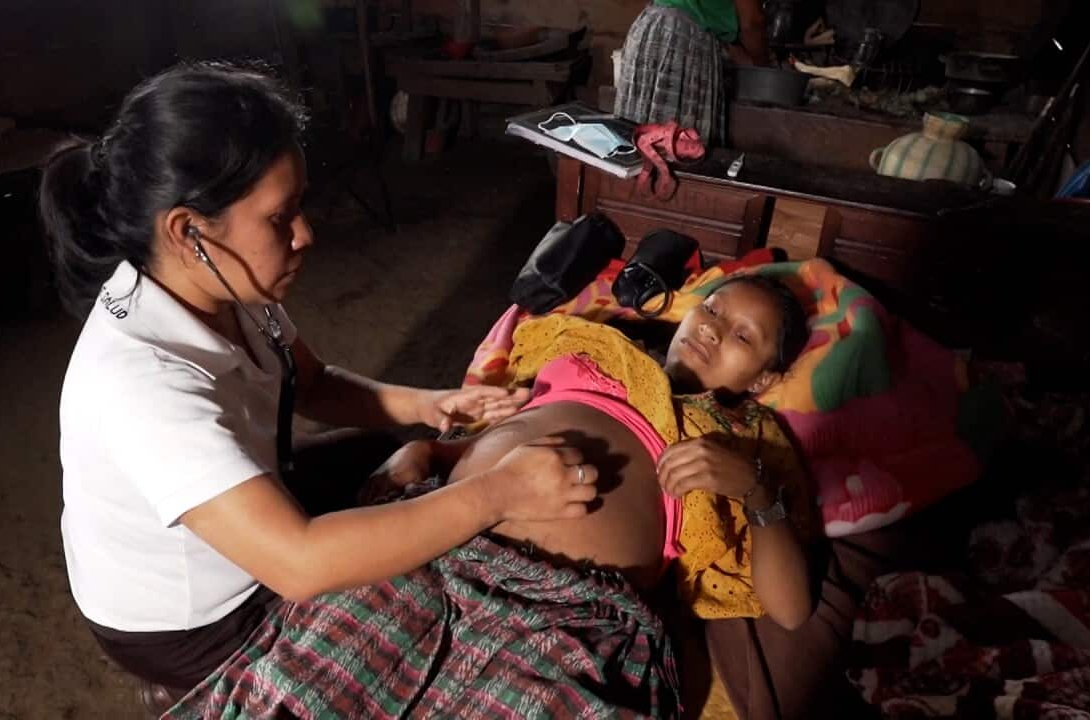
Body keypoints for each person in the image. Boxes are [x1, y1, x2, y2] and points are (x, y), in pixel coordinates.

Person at [41, 61, 602, 699]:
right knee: (433, 610)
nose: (305, 235)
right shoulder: (143, 382)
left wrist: (434, 404)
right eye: (280, 218)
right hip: (195, 623)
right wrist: (501, 493)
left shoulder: (221, 283)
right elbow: (299, 563)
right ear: (188, 231)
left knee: (403, 467)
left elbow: (311, 382)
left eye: (299, 207)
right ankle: (204, 692)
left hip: (262, 497)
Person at [366, 274, 817, 627]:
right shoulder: (598, 351)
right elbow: (505, 426)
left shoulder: (745, 440)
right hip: (433, 534)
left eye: (743, 336)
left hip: (563, 619)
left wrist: (756, 492)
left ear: (763, 380)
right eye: (713, 309)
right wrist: (427, 451)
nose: (714, 331)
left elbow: (791, 611)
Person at [615, 0, 770, 144]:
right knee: (679, 147)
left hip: (649, 26)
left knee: (637, 142)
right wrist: (763, 65)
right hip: (682, 40)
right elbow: (752, 22)